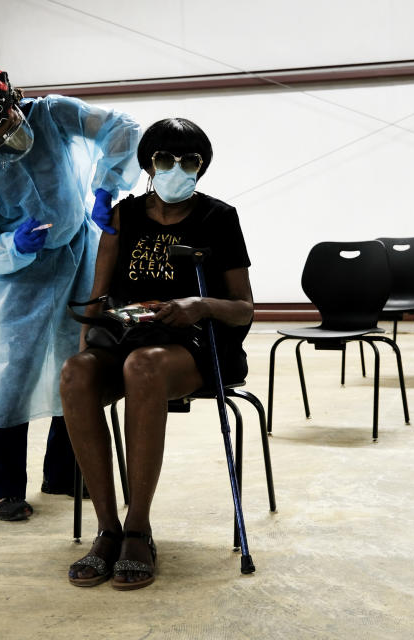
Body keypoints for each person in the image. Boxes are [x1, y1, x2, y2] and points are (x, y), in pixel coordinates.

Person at [59, 118, 254, 590]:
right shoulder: (124, 216)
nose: (177, 170)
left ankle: (138, 530)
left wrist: (199, 305)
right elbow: (97, 297)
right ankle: (106, 528)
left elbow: (244, 308)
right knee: (75, 373)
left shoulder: (218, 218)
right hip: (129, 337)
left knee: (141, 367)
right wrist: (98, 335)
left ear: (202, 166)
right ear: (149, 163)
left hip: (193, 346)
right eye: (165, 160)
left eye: (190, 161)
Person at [0, 68, 141, 521]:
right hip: (18, 280)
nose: (2, 142)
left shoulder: (53, 115)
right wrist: (13, 245)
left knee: (74, 361)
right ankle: (0, 487)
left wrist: (107, 186)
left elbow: (121, 128)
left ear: (16, 103)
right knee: (13, 375)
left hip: (78, 256)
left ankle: (64, 471)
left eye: (7, 128)